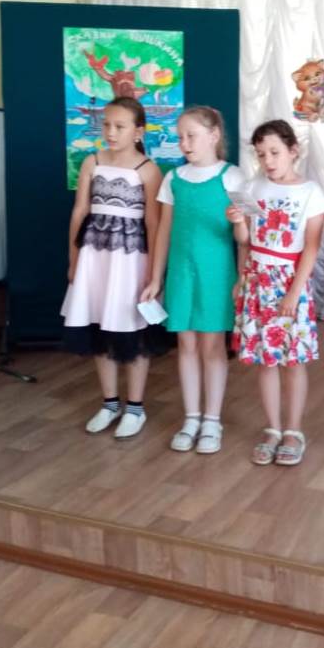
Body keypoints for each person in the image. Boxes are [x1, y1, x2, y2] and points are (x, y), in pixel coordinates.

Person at [142, 106, 244, 454]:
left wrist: (242, 278)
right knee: (185, 345)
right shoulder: (173, 179)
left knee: (212, 346)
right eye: (180, 137)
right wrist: (156, 278)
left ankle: (212, 420)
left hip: (216, 276)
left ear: (214, 136)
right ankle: (191, 418)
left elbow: (244, 235)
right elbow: (164, 232)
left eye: (191, 136)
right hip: (182, 275)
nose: (184, 143)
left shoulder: (233, 177)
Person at [62, 96, 164, 439]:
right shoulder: (91, 161)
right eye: (106, 124)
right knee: (98, 327)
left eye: (119, 126)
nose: (111, 132)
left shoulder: (148, 169)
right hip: (95, 257)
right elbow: (79, 211)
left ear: (138, 131)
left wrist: (153, 272)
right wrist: (74, 259)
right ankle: (109, 402)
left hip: (130, 261)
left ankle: (135, 407)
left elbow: (153, 222)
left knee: (131, 330)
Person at [228, 120, 324, 466]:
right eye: (261, 155)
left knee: (292, 361)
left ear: (293, 151)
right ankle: (272, 428)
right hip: (257, 280)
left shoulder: (310, 192)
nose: (268, 161)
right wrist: (238, 224)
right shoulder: (253, 186)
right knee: (265, 360)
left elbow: (311, 247)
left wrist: (293, 294)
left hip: (290, 281)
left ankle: (293, 431)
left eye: (274, 152)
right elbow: (245, 241)